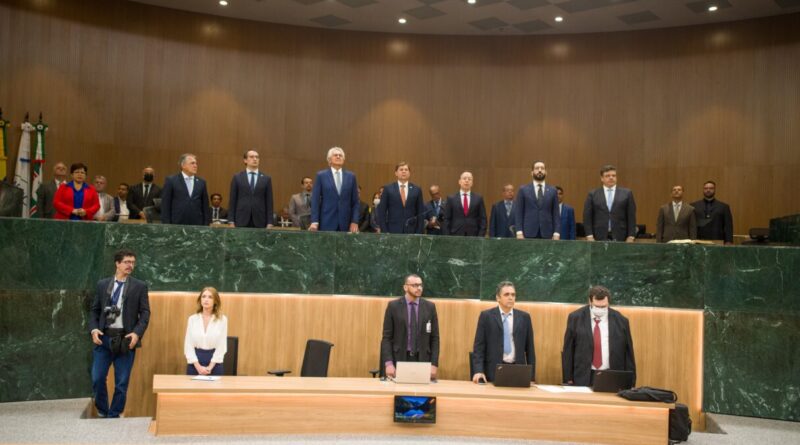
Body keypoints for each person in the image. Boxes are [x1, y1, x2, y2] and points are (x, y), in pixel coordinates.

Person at [89, 249, 151, 418]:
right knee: (97, 378)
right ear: (117, 263)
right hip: (104, 339)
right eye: (126, 262)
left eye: (132, 262)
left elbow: (145, 313)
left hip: (125, 340)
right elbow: (95, 310)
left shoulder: (139, 286)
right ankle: (103, 410)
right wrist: (94, 329)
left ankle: (114, 414)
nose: (130, 265)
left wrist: (137, 334)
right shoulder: (103, 285)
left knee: (121, 383)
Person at [561, 285, 635, 387]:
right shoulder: (575, 318)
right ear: (590, 301)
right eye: (597, 306)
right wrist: (567, 378)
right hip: (583, 375)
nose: (600, 309)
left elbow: (629, 353)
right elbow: (568, 350)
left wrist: (631, 381)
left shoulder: (621, 321)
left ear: (608, 302)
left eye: (604, 306)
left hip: (611, 375)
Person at [471, 281, 535, 384]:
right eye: (506, 294)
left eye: (513, 295)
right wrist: (478, 371)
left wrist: (531, 377)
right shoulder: (486, 316)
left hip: (518, 371)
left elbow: (530, 349)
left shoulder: (524, 317)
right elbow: (479, 347)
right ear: (498, 298)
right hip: (493, 372)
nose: (510, 297)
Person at [380, 274, 440, 380]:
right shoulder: (393, 306)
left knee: (421, 393)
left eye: (421, 285)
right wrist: (389, 363)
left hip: (422, 359)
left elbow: (435, 338)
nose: (419, 288)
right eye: (415, 285)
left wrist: (434, 364)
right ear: (405, 287)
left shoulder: (430, 307)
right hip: (399, 358)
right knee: (399, 393)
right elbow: (386, 338)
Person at [309, 146, 360, 233]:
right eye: (335, 155)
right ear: (329, 160)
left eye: (340, 155)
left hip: (346, 223)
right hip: (326, 221)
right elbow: (315, 200)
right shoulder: (321, 176)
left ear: (343, 160)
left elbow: (355, 202)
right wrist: (314, 221)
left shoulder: (351, 176)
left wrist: (354, 221)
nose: (338, 157)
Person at [583, 165, 637, 242]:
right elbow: (587, 216)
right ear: (602, 178)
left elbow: (631, 216)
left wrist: (631, 236)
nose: (611, 177)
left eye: (613, 175)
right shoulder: (593, 194)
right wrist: (589, 235)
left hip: (621, 236)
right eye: (607, 176)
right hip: (597, 236)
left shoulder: (627, 193)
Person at [184, 287, 227, 376]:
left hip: (215, 364)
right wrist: (198, 367)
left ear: (215, 301)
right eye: (203, 296)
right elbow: (188, 345)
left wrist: (209, 367)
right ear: (200, 300)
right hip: (195, 363)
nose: (206, 299)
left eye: (210, 297)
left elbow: (221, 346)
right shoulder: (192, 319)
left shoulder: (222, 320)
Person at [228, 150, 274, 229]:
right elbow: (232, 200)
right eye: (252, 157)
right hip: (241, 219)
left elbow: (269, 202)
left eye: (257, 157)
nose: (255, 159)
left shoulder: (266, 179)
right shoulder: (237, 177)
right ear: (245, 160)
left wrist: (270, 222)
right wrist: (231, 221)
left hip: (260, 220)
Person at [161, 154, 210, 226]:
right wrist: (166, 225)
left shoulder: (201, 182)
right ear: (183, 165)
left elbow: (205, 206)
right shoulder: (171, 180)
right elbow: (165, 205)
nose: (195, 165)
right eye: (192, 163)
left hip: (197, 225)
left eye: (196, 163)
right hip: (176, 224)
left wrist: (206, 224)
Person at [376, 162, 426, 234]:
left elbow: (420, 212)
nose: (404, 171)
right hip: (392, 231)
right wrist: (384, 231)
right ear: (396, 173)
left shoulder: (417, 189)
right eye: (401, 169)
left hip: (412, 231)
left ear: (409, 173)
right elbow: (382, 212)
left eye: (406, 169)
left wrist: (418, 232)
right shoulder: (388, 189)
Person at [516, 161, 560, 240]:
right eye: (537, 168)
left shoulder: (553, 190)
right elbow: (519, 212)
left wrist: (556, 232)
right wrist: (519, 231)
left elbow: (556, 213)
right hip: (527, 233)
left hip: (548, 233)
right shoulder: (523, 190)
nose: (540, 170)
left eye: (542, 168)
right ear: (532, 173)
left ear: (546, 173)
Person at [442, 171, 486, 236]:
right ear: (459, 181)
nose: (467, 181)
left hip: (474, 235)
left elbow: (483, 219)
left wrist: (480, 236)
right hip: (455, 234)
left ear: (472, 183)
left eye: (469, 179)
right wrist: (447, 236)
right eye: (464, 178)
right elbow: (446, 219)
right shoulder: (451, 198)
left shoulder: (478, 198)